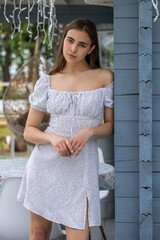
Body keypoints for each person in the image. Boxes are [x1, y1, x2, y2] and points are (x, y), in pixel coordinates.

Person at [17, 18, 114, 240]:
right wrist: (51, 138)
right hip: (45, 165)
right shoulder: (47, 81)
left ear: (91, 49)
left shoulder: (104, 78)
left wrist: (89, 131)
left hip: (81, 166)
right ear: (63, 41)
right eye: (70, 41)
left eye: (81, 44)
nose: (73, 48)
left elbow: (110, 127)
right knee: (39, 233)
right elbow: (29, 130)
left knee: (79, 234)